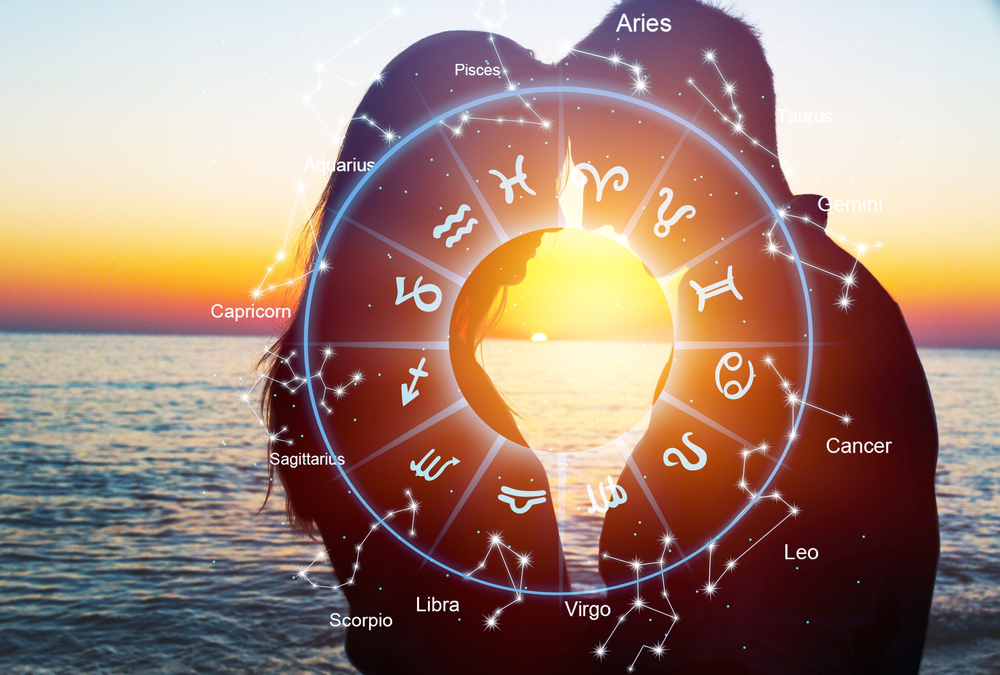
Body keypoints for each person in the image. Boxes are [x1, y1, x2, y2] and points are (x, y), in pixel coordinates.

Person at [261, 1, 939, 672]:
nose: (576, 195)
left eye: (591, 144)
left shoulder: (809, 339)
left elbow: (784, 637)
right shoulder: (767, 320)